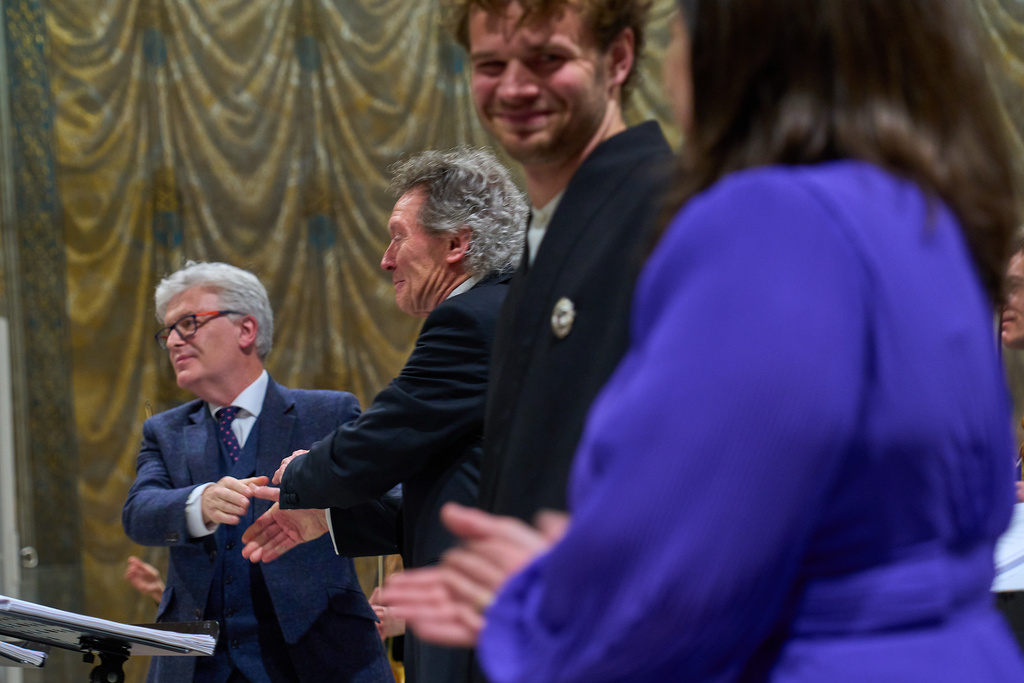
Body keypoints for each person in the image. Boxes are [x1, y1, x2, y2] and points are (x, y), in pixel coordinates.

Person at [382, 0, 1024, 680]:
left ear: (729, 54)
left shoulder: (759, 220)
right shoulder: (928, 219)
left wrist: (535, 602)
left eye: (679, 33)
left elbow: (688, 578)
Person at [239, 148, 527, 683]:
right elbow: (459, 495)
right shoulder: (508, 309)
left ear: (457, 243)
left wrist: (300, 474)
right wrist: (325, 517)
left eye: (398, 235)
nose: (386, 258)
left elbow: (378, 443)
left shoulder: (471, 321)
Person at [454, 0, 675, 523]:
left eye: (548, 58)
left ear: (617, 58)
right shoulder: (548, 230)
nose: (514, 88)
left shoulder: (672, 213)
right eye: (491, 66)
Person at [122, 262, 390, 683]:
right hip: (196, 666)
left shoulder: (328, 413)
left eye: (188, 323)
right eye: (168, 331)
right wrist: (199, 503)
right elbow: (138, 513)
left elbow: (381, 506)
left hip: (320, 657)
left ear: (246, 330)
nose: (173, 341)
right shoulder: (165, 430)